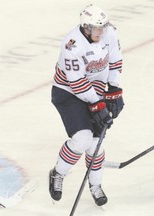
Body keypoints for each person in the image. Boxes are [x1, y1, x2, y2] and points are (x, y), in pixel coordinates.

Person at [49, 4, 124, 206]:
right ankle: (58, 173)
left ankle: (95, 184)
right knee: (82, 138)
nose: (102, 31)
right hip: (68, 92)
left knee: (96, 143)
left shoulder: (110, 33)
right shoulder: (72, 45)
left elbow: (116, 60)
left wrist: (114, 89)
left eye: (103, 27)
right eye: (97, 28)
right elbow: (77, 82)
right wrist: (99, 103)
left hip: (96, 88)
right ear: (86, 28)